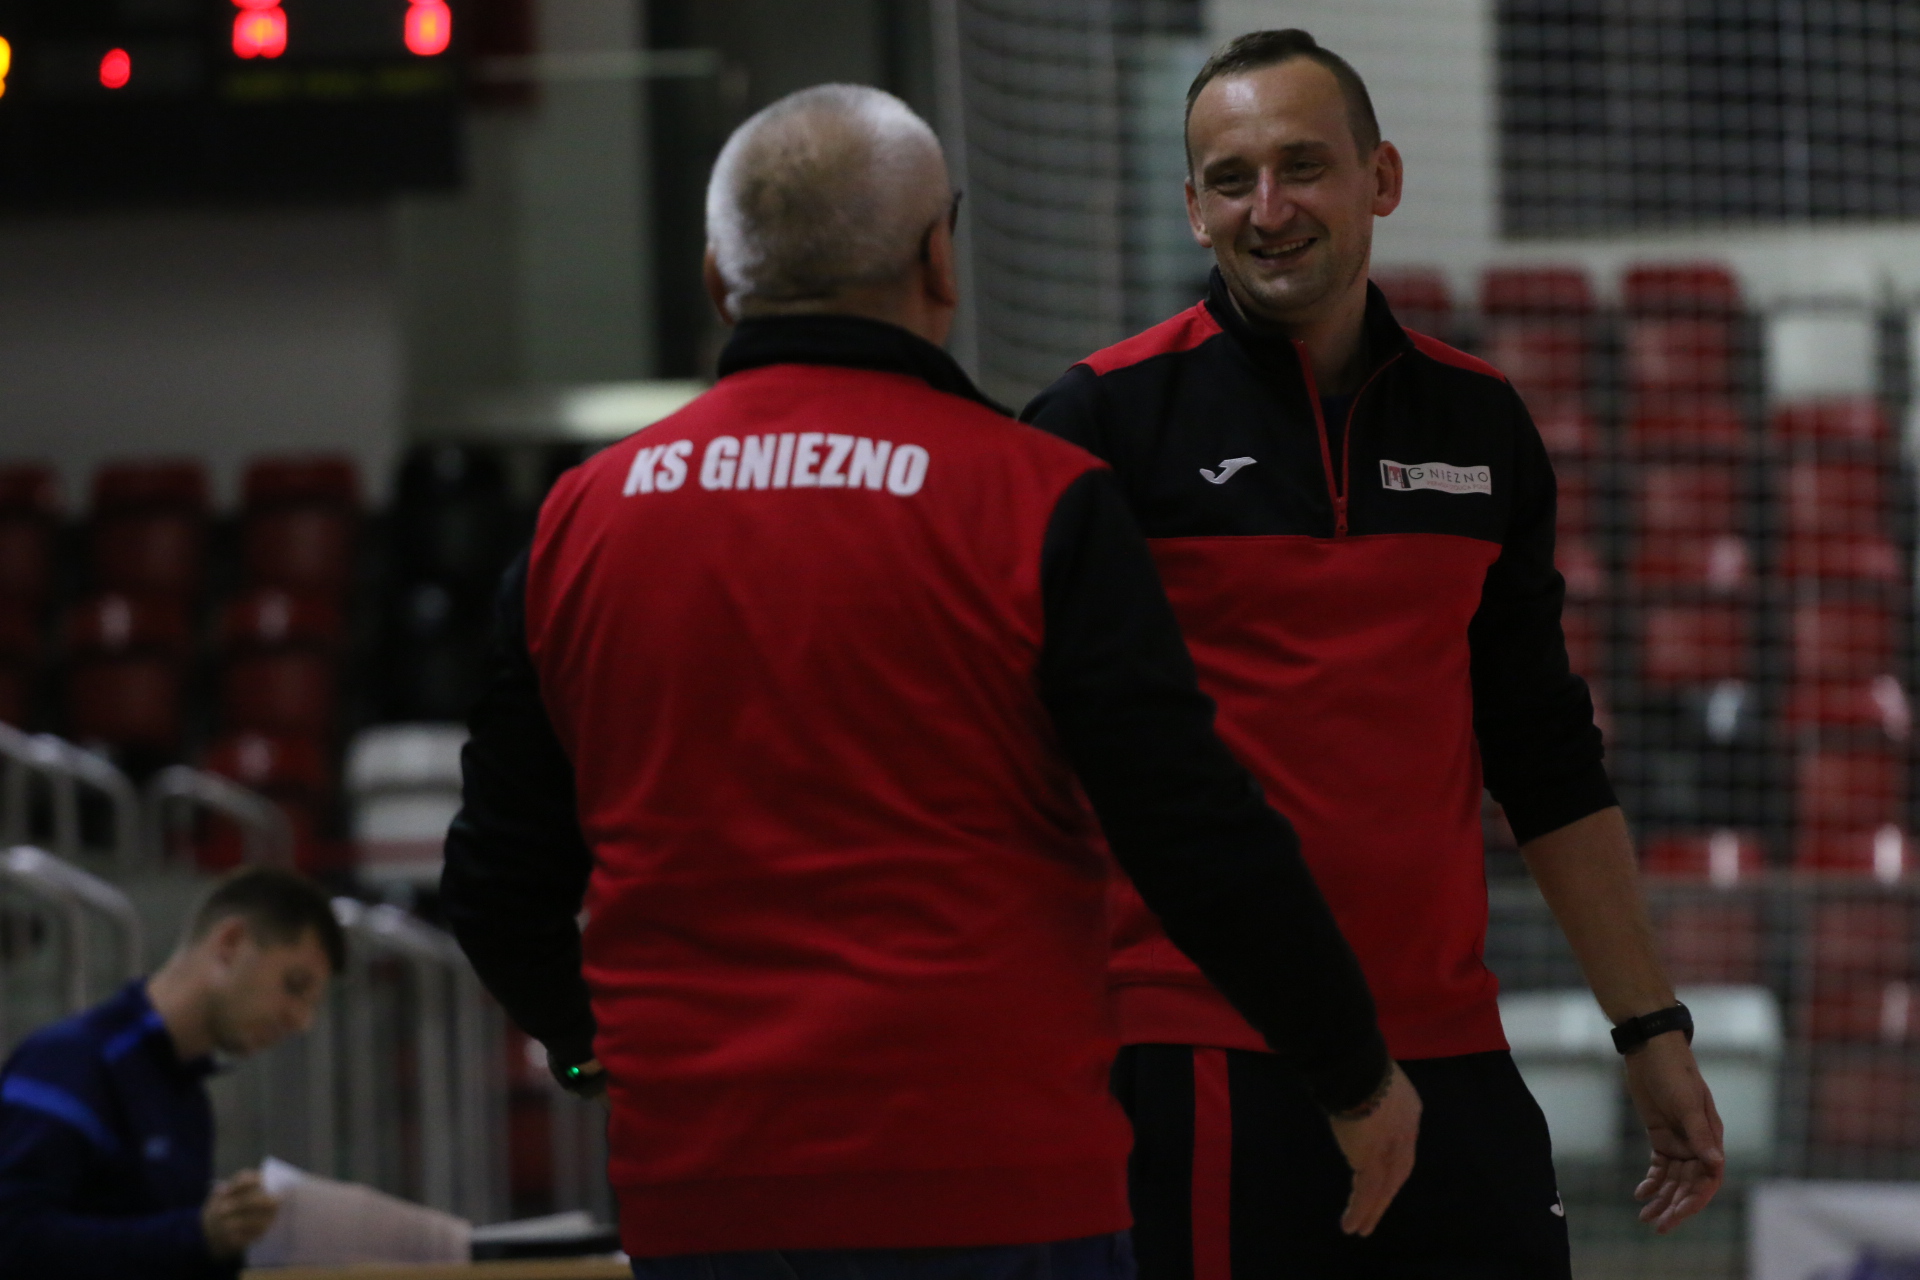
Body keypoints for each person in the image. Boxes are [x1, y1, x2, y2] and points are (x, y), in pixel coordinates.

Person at [440, 82, 1419, 1280]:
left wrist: (588, 1051)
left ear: (717, 280)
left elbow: (494, 887)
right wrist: (1352, 1069)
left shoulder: (577, 524)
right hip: (997, 1185)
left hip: (704, 1196)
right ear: (937, 260)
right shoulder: (1035, 498)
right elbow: (1193, 833)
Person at [1022, 29, 1725, 1280]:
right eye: (1231, 179)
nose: (1269, 208)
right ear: (1193, 209)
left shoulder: (1481, 424)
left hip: (1450, 1045)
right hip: (1201, 1051)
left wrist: (1650, 1025)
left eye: (1303, 166)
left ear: (1381, 178)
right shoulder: (1100, 422)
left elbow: (1544, 753)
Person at [0, 865, 344, 1278]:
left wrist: (241, 1237)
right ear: (230, 944)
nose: (301, 1021)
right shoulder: (70, 1062)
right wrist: (200, 1235)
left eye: (312, 1004)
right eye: (294, 985)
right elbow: (13, 1242)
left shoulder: (187, 1097)